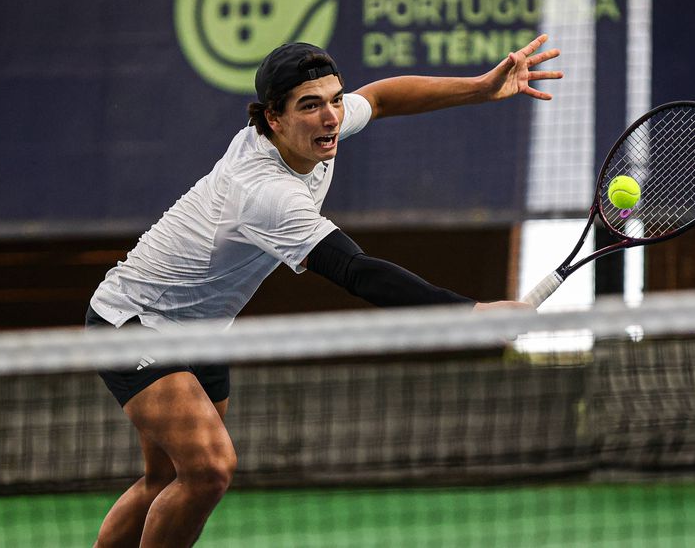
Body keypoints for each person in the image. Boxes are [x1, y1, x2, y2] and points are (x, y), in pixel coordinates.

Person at [86, 33, 562, 547]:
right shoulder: (265, 192)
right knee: (208, 470)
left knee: (167, 478)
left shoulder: (315, 130)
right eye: (311, 106)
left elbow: (380, 98)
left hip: (202, 331)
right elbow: (356, 271)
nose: (331, 117)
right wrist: (471, 313)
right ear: (273, 118)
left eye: (335, 99)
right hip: (134, 321)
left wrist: (479, 88)